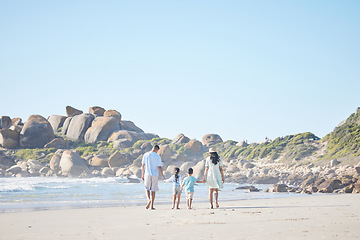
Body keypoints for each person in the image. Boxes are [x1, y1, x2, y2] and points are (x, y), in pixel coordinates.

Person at [141, 144, 165, 210]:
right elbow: (159, 167)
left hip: (147, 174)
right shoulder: (157, 157)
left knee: (147, 188)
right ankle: (151, 206)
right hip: (155, 175)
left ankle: (148, 200)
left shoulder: (146, 155)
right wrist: (162, 176)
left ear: (153, 148)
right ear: (156, 149)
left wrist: (142, 175)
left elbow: (143, 166)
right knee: (153, 190)